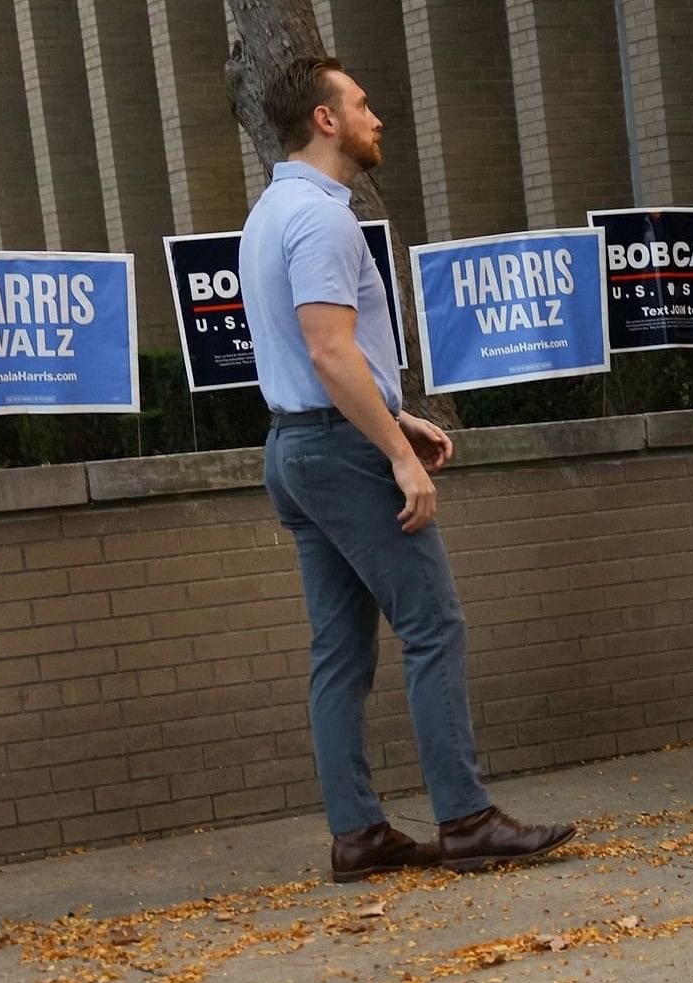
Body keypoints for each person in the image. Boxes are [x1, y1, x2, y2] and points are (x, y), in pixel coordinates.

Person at [241, 53, 572, 879]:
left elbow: (310, 354)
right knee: (433, 626)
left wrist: (392, 417)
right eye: (360, 101)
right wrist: (395, 452)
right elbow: (327, 346)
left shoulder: (269, 212)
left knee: (340, 652)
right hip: (339, 452)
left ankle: (359, 835)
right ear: (325, 120)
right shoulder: (322, 219)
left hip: (295, 447)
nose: (375, 114)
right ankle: (464, 819)